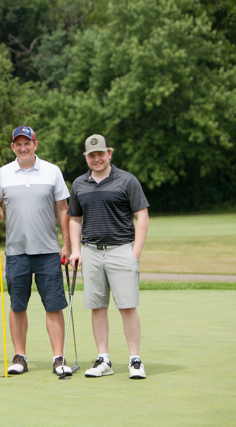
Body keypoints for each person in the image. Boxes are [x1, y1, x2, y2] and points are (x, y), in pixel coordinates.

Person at [0, 125, 73, 377]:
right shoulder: (3, 173)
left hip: (47, 250)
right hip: (16, 251)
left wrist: (67, 244)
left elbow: (62, 208)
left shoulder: (52, 171)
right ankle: (19, 356)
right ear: (12, 147)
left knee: (53, 305)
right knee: (17, 306)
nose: (23, 148)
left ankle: (58, 358)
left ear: (35, 144)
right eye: (18, 144)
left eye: (27, 143)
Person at [68, 134, 149, 380]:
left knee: (127, 306)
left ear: (109, 153)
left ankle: (135, 360)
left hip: (121, 250)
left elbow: (142, 216)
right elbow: (74, 219)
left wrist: (135, 252)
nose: (97, 159)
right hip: (91, 251)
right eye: (91, 155)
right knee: (97, 306)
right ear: (86, 157)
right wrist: (75, 250)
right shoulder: (79, 184)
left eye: (101, 154)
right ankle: (103, 359)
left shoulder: (127, 180)